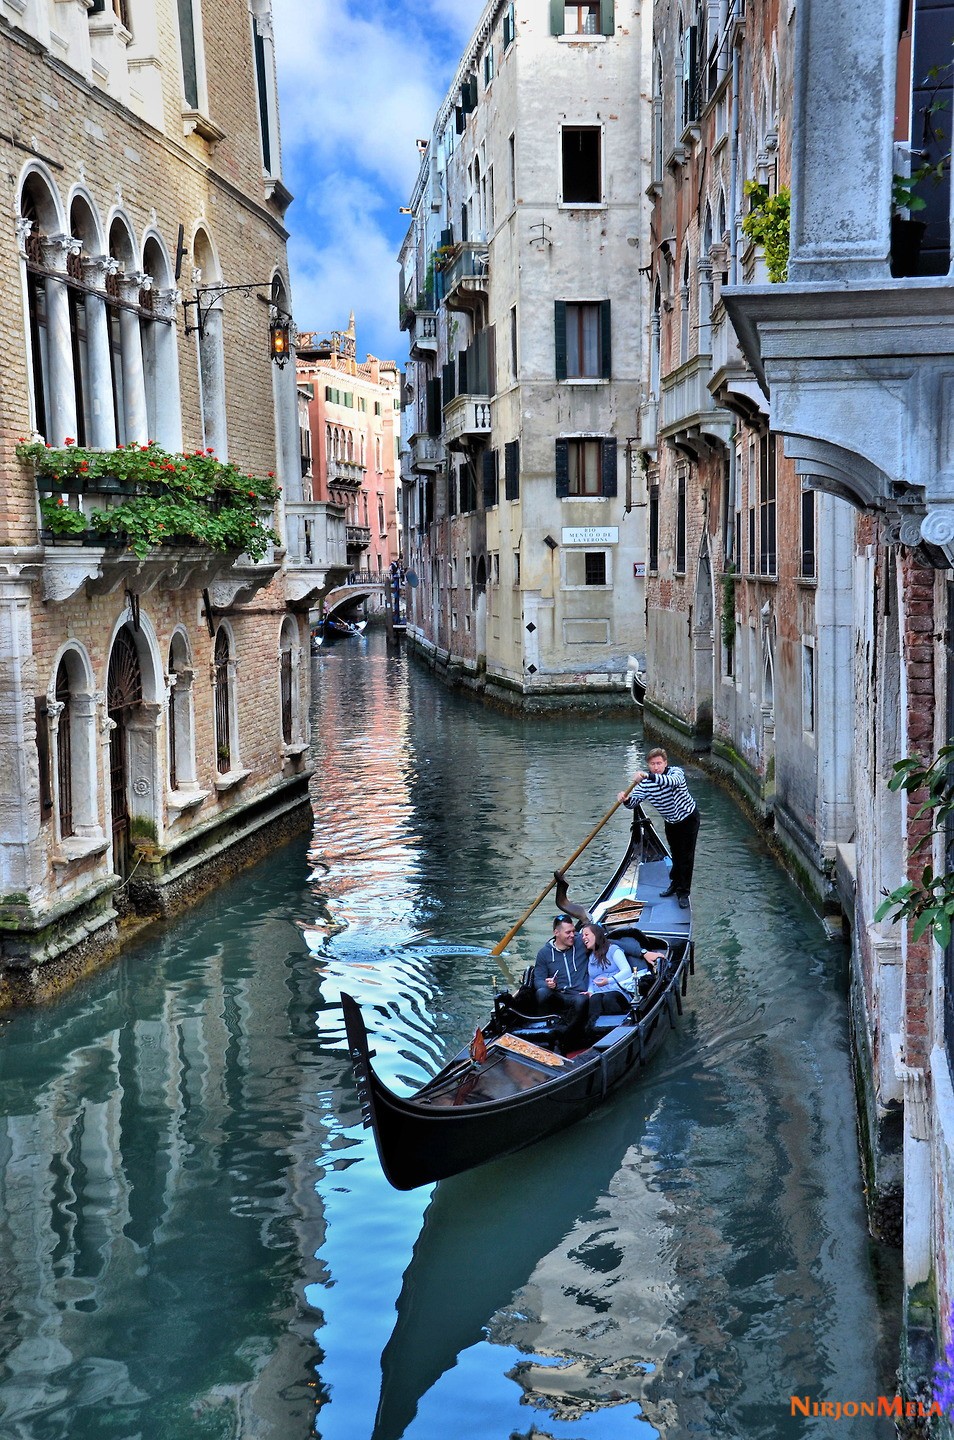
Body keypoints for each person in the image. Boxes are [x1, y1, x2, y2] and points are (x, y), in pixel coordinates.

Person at [618, 747, 700, 908]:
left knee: (686, 857)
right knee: (675, 854)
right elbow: (634, 802)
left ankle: (683, 892)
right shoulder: (646, 784)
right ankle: (675, 884)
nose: (656, 767)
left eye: (659, 763)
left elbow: (671, 782)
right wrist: (625, 799)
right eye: (652, 764)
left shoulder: (676, 773)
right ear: (648, 765)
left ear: (665, 763)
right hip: (670, 821)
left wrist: (648, 776)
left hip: (688, 819)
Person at [532, 914, 589, 1031]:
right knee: (542, 993)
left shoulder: (581, 941)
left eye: (573, 931)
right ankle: (543, 1029)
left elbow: (604, 942)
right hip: (559, 995)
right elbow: (537, 981)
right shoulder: (544, 953)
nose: (572, 935)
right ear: (556, 933)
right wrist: (547, 984)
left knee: (581, 1000)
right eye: (568, 932)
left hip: (579, 994)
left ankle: (572, 1032)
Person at [580, 922, 634, 1025]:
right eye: (582, 935)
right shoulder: (591, 956)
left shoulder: (613, 949)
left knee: (609, 999)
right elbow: (592, 979)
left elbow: (627, 971)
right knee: (594, 999)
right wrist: (590, 991)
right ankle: (593, 1029)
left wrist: (609, 981)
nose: (583, 938)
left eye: (586, 934)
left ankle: (617, 1026)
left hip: (618, 990)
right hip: (599, 992)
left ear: (596, 934)